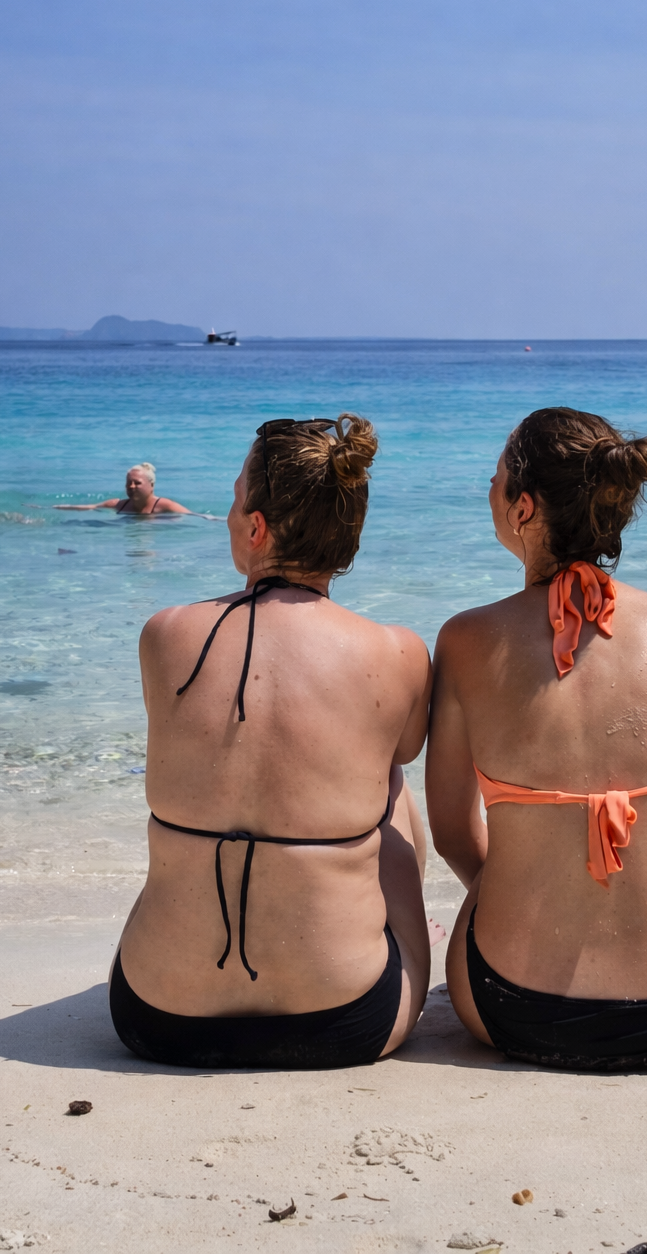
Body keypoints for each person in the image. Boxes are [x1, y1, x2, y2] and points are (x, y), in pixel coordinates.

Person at [426, 407, 647, 1072]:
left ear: (522, 509)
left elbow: (453, 835)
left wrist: (535, 882)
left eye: (492, 481)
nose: (485, 493)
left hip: (507, 1009)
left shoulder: (465, 640)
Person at [110, 415, 432, 1069]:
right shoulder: (397, 653)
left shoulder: (164, 634)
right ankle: (356, 942)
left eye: (234, 502)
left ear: (256, 528)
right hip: (346, 1019)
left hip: (157, 1016)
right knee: (391, 779)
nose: (231, 516)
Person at [54, 462, 191, 515]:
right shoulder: (119, 505)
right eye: (128, 483)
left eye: (137, 483)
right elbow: (88, 507)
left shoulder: (166, 505)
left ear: (152, 485)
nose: (132, 487)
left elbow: (195, 516)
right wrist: (54, 508)